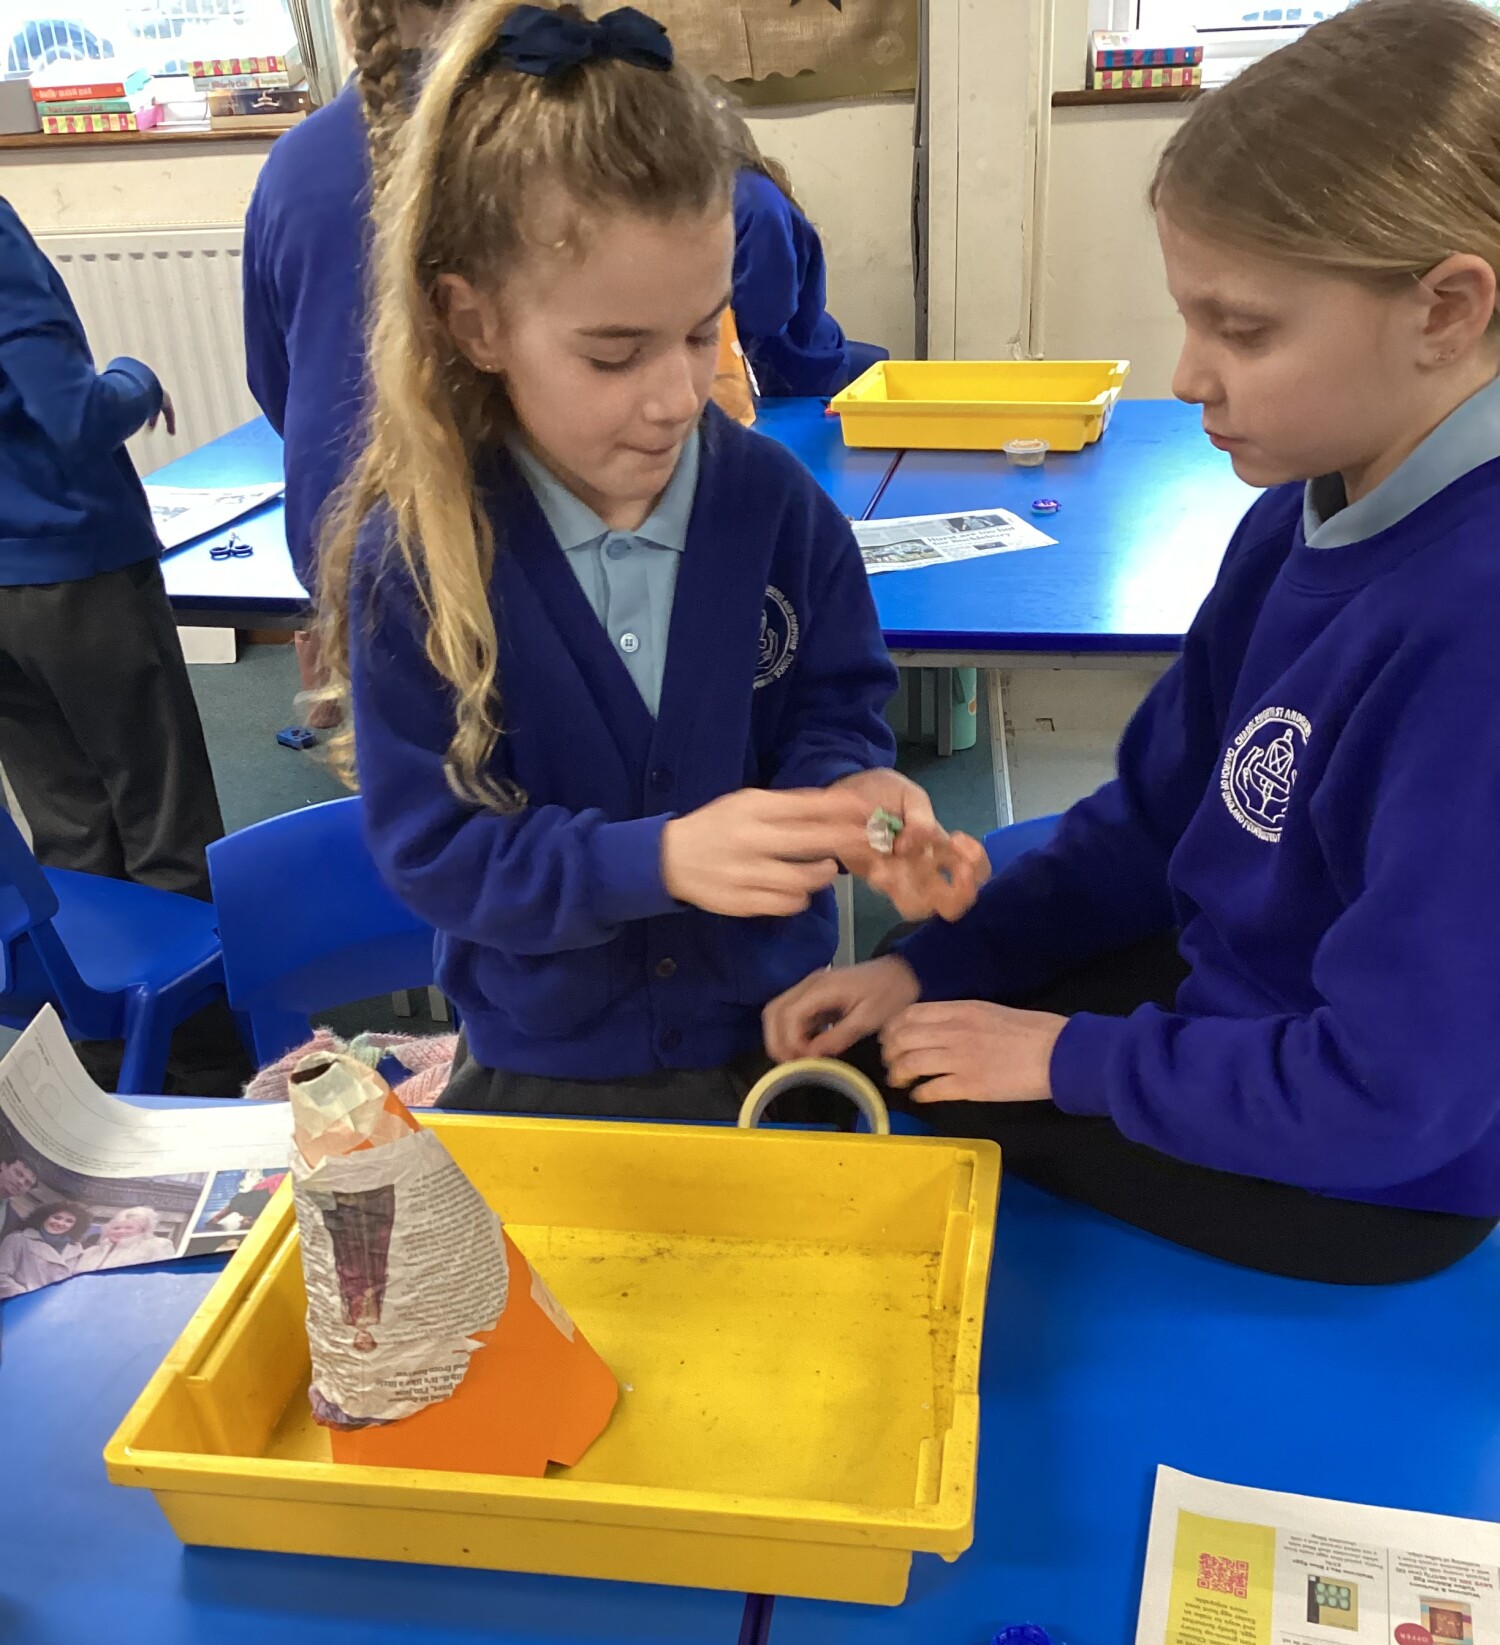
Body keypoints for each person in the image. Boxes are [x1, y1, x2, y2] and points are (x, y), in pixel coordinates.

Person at [766, 0, 1500, 1286]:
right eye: (1191, 318)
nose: (1189, 375)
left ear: (1445, 309)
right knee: (903, 1000)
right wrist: (946, 961)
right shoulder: (1300, 507)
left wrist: (1068, 1057)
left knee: (871, 1110)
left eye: (1244, 329)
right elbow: (1159, 818)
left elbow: (1396, 1094)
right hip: (1253, 1006)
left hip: (1370, 1169)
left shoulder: (1470, 633)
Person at [318, 0, 985, 1123]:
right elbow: (438, 851)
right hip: (546, 1070)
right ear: (475, 323)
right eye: (614, 354)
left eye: (700, 332)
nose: (677, 396)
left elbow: (835, 713)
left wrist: (855, 804)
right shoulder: (422, 558)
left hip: (769, 1040)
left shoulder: (776, 509)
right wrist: (657, 861)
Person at [0, 196, 225, 900]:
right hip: (71, 567)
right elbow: (75, 416)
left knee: (66, 821)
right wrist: (138, 379)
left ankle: (105, 975)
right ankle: (198, 976)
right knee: (165, 821)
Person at [241, 0, 462, 705]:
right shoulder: (520, 131)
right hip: (478, 517)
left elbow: (272, 377)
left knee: (389, 740)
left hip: (337, 522)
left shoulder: (293, 161)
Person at [719, 107, 887, 400]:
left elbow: (763, 317)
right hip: (778, 355)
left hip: (789, 371)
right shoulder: (739, 195)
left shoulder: (755, 205)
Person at [0, 1201, 87, 1297]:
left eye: (69, 1221)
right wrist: (25, 1295)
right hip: (18, 1301)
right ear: (44, 1217)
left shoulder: (76, 1249)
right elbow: (2, 1274)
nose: (60, 1223)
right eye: (56, 1217)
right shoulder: (18, 1239)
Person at [76, 1205, 177, 1272]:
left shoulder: (155, 1246)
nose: (121, 1231)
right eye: (116, 1228)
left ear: (142, 1230)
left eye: (129, 1228)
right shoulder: (90, 1252)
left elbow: (162, 1278)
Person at [0, 1154, 38, 1241]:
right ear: (3, 1166)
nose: (21, 1182)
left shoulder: (12, 1221)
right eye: (17, 1173)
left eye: (27, 1183)